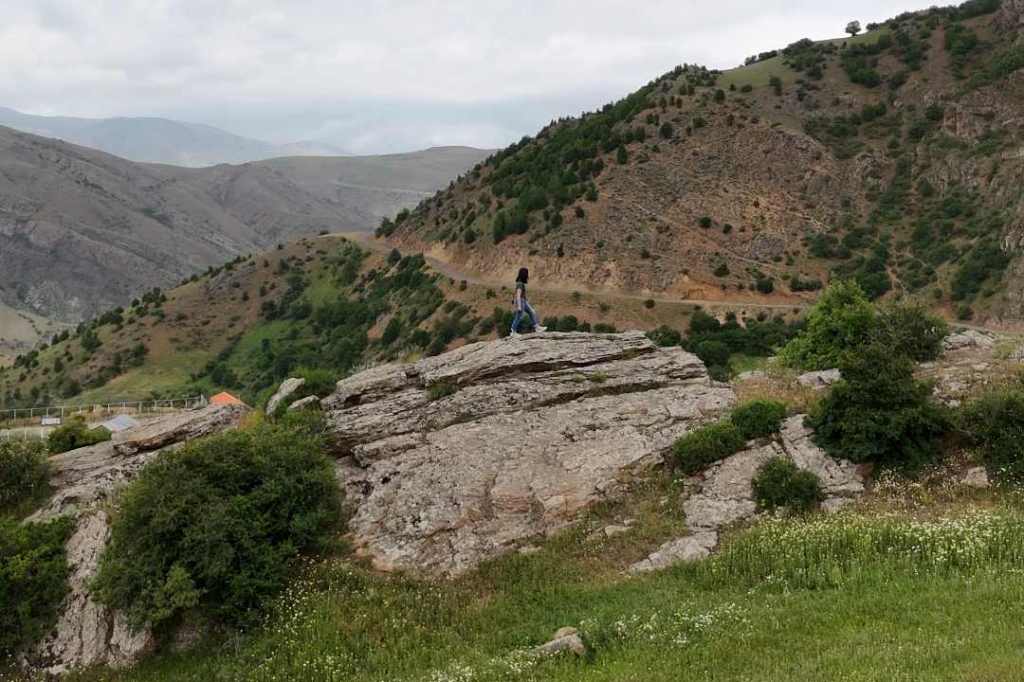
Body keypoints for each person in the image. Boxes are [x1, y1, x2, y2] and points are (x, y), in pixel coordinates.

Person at [510, 267, 546, 336]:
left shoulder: (520, 283)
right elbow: (518, 295)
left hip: (523, 301)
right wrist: (519, 306)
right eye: (527, 274)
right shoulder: (520, 284)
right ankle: (513, 331)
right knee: (519, 316)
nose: (527, 276)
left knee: (532, 312)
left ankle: (537, 327)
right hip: (521, 301)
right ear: (524, 275)